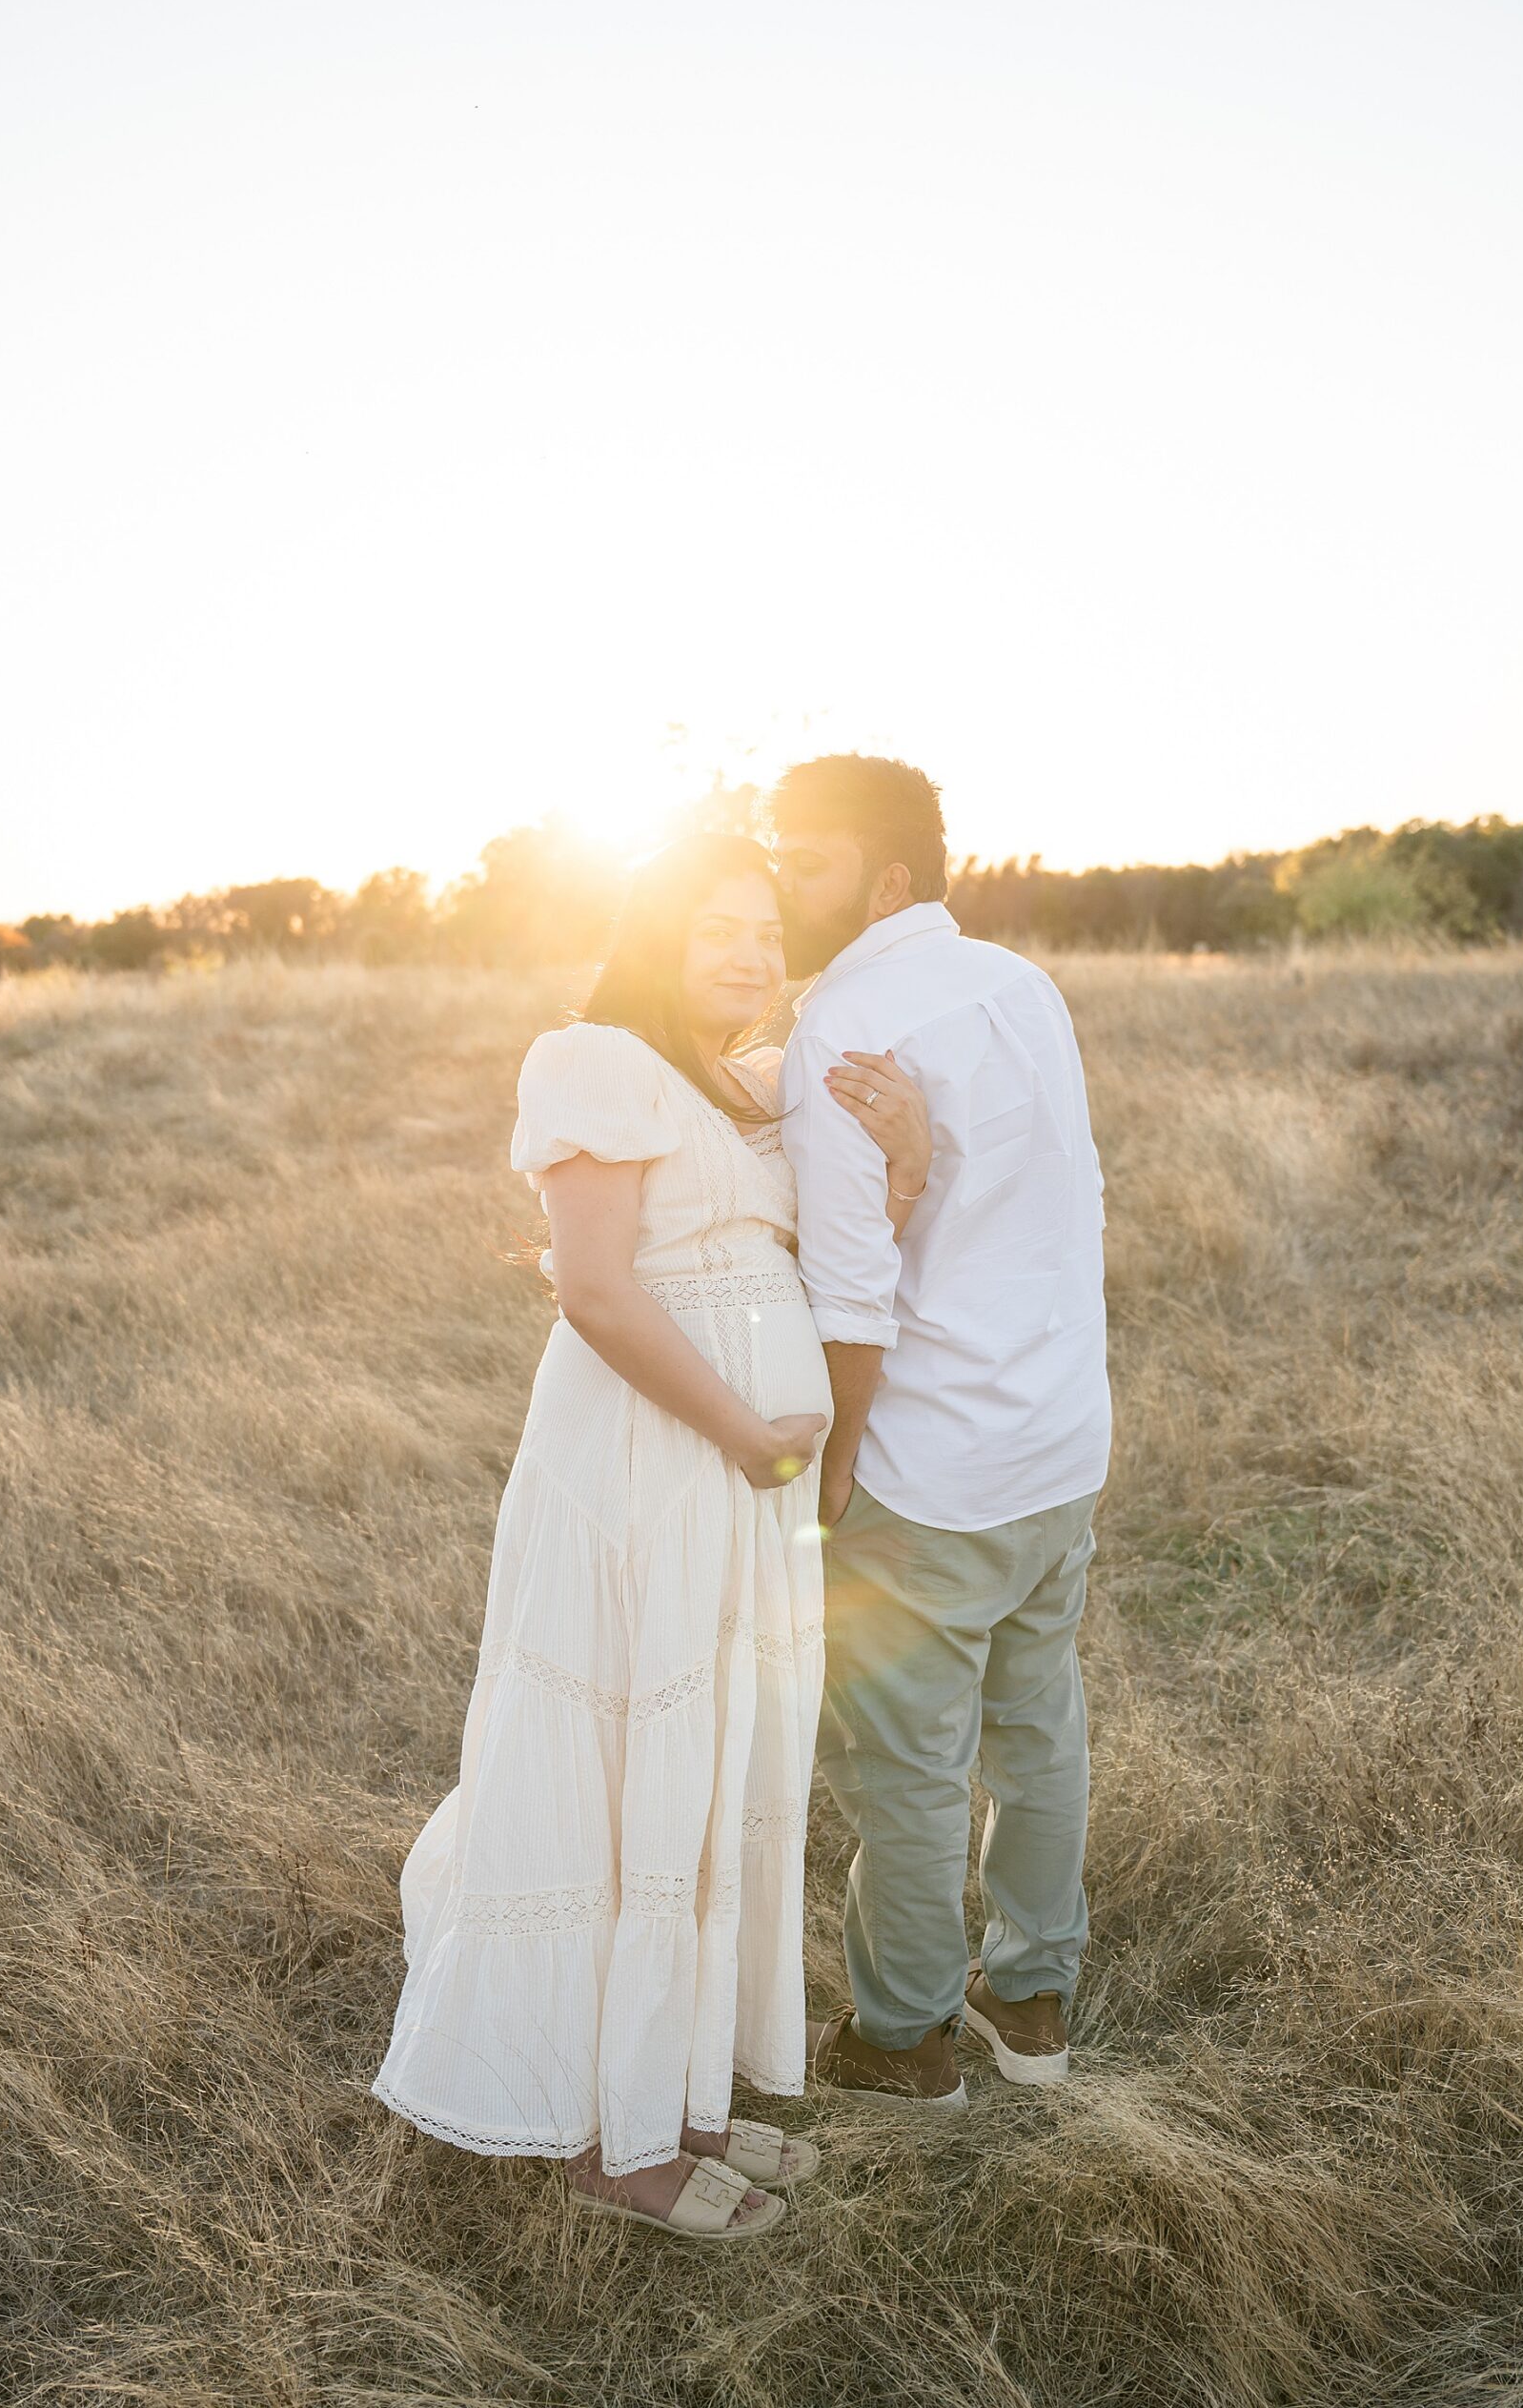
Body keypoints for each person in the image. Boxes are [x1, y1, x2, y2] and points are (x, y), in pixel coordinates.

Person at [370, 830, 932, 2238]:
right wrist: (745, 1433)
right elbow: (598, 1292)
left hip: (745, 1489)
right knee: (639, 1772)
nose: (750, 953)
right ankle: (617, 2148)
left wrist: (905, 1160)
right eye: (714, 928)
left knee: (714, 1774)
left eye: (765, 931)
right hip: (648, 1465)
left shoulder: (747, 1084)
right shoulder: (594, 1060)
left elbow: (835, 1249)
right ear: (654, 934)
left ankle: (681, 2097)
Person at [770, 755, 1111, 2110]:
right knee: (1038, 1730)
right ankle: (1031, 2001)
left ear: (887, 879)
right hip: (1059, 1439)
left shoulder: (842, 1028)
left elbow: (851, 1289)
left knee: (907, 1769)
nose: (781, 885)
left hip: (928, 1467)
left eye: (806, 862)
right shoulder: (1023, 986)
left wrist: (836, 1460)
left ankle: (905, 2041)